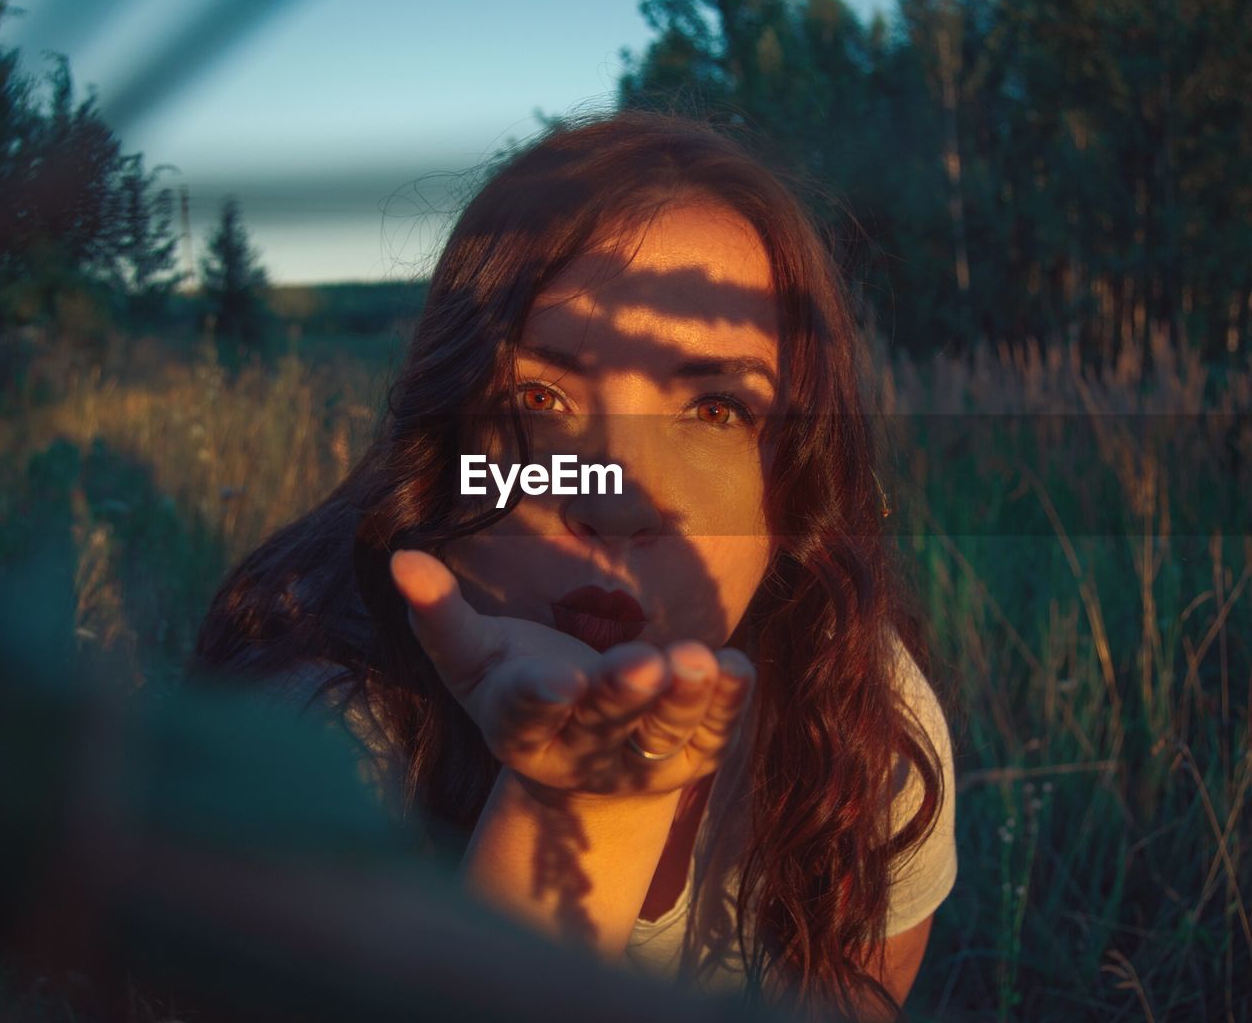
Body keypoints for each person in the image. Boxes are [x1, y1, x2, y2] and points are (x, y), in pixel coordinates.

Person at [193, 112, 956, 1021]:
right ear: (445, 453)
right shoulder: (322, 756)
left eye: (717, 410)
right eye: (538, 397)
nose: (614, 499)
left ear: (790, 498)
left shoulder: (862, 724)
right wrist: (579, 801)